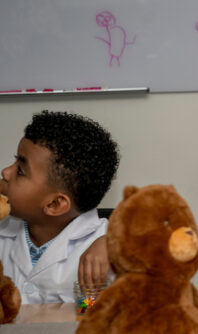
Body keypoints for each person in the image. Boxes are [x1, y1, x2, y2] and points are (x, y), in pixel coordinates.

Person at [0, 111, 120, 303]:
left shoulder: (106, 249)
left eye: (20, 171)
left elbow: (89, 315)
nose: (5, 172)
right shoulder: (3, 229)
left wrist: (118, 244)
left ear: (55, 204)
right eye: (15, 161)